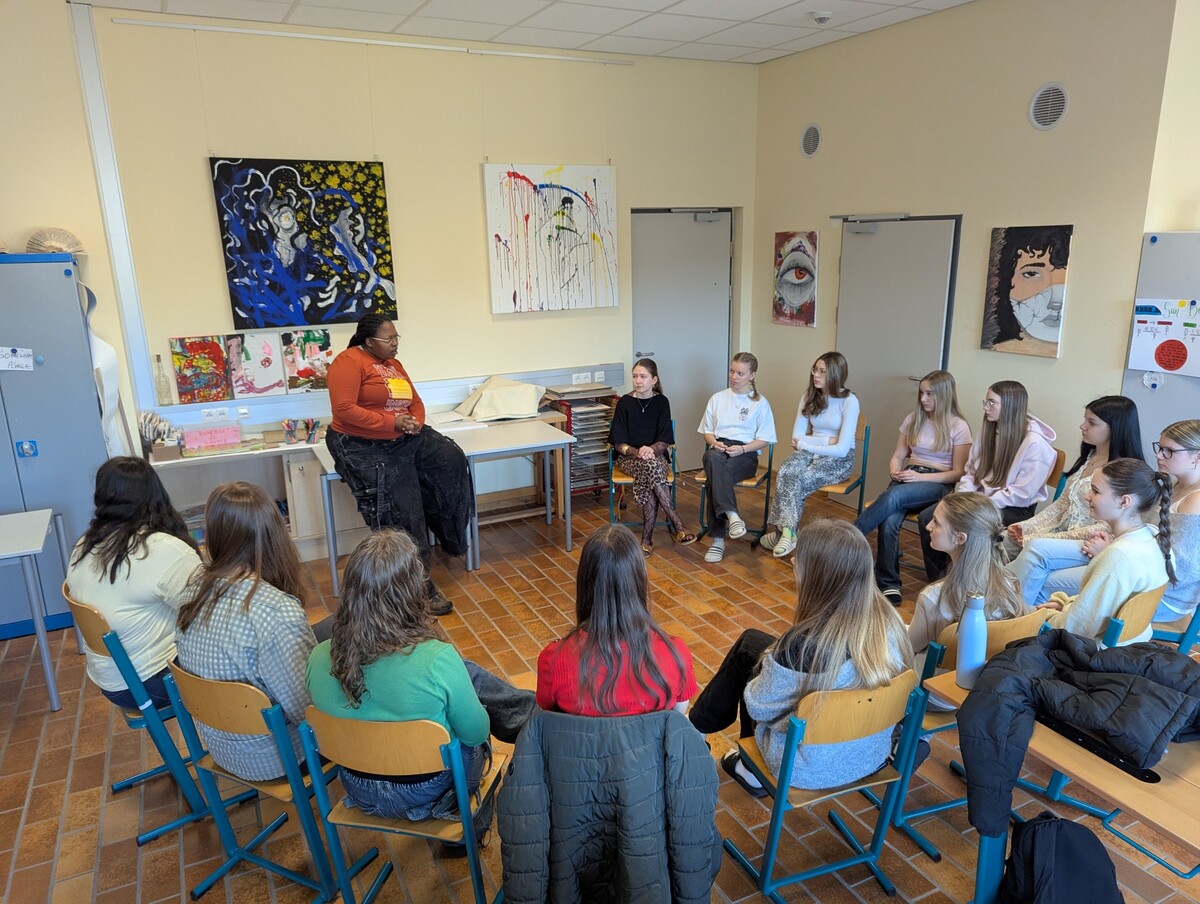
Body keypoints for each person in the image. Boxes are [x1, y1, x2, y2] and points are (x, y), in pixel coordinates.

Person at [689, 520, 912, 795]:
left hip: (803, 767)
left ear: (820, 575)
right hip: (867, 755)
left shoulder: (801, 645)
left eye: (800, 556)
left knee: (752, 665)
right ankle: (696, 729)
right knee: (751, 643)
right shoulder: (889, 622)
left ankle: (743, 766)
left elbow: (759, 707)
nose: (793, 560)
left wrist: (768, 665)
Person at [307, 530, 501, 833]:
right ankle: (469, 832)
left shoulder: (318, 657)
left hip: (357, 786)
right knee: (477, 729)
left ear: (350, 592)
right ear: (412, 592)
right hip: (433, 792)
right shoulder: (437, 659)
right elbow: (475, 733)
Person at [325, 313, 472, 615]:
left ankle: (447, 536)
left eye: (396, 337)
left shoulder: (394, 365)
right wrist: (392, 422)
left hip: (402, 435)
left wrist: (415, 421)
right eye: (389, 338)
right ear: (369, 341)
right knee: (402, 508)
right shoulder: (348, 362)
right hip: (362, 443)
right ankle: (417, 587)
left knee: (450, 459)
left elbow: (415, 401)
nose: (395, 344)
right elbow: (344, 410)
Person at [176, 482, 319, 782]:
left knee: (329, 630)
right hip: (282, 758)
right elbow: (307, 713)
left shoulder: (191, 589)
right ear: (274, 535)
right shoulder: (275, 613)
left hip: (222, 749)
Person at [66, 457, 202, 710]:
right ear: (155, 493)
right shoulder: (162, 549)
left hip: (113, 681)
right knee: (236, 645)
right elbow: (207, 612)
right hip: (152, 682)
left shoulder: (85, 543)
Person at [536, 525, 697, 716]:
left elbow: (549, 718)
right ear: (640, 579)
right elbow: (677, 717)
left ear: (584, 581)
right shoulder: (676, 654)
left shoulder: (553, 660)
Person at [1006, 396, 1143, 605]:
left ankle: (1008, 608)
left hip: (1090, 543)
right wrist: (1027, 526)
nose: (1082, 426)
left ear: (1114, 429)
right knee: (999, 540)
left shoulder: (1125, 472)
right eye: (1085, 420)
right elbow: (1062, 505)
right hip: (1061, 533)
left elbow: (1106, 527)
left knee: (1028, 555)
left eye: (1092, 423)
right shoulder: (1089, 457)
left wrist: (1040, 536)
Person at [853, 370, 972, 605]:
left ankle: (848, 536)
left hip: (938, 483)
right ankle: (888, 584)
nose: (923, 399)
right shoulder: (913, 419)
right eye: (921, 393)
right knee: (889, 521)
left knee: (893, 498)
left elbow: (959, 473)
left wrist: (920, 477)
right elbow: (898, 455)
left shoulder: (959, 426)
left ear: (944, 395)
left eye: (930, 394)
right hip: (908, 477)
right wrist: (894, 471)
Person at [918, 380, 1056, 580]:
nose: (985, 407)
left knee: (960, 525)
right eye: (986, 401)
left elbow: (1022, 494)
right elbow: (972, 471)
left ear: (1010, 406)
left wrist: (979, 504)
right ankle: (939, 581)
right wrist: (963, 496)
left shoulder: (1035, 443)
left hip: (1013, 507)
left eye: (992, 403)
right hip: (980, 498)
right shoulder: (989, 429)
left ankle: (965, 581)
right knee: (928, 519)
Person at [1037, 458, 1175, 644]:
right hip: (1130, 645)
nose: (1087, 496)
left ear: (1124, 501)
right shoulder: (1154, 536)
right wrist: (1066, 605)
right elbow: (1101, 605)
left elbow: (1077, 629)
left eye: (1095, 491)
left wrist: (1045, 616)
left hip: (1092, 652)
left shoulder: (1120, 555)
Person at [760, 351, 859, 560]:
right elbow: (796, 438)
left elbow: (841, 449)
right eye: (815, 369)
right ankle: (788, 533)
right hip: (810, 450)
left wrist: (809, 442)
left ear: (836, 374)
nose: (816, 375)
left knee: (799, 478)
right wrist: (826, 440)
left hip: (838, 460)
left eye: (822, 371)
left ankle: (782, 533)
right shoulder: (808, 396)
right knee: (786, 470)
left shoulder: (849, 401)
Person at [909, 493, 1027, 668]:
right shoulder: (1010, 584)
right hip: (991, 674)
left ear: (960, 538)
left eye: (936, 522)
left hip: (937, 679)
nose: (928, 526)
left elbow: (911, 646)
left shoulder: (933, 598)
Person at [608, 358, 696, 556]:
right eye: (635, 376)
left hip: (656, 457)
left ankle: (647, 540)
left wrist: (651, 450)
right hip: (629, 459)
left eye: (643, 376)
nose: (638, 381)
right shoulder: (625, 402)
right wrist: (637, 452)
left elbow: (665, 439)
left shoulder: (662, 402)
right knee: (652, 469)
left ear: (654, 380)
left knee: (651, 467)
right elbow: (618, 442)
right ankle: (677, 525)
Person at [696, 352, 777, 564]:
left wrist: (742, 449)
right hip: (719, 448)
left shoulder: (760, 403)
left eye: (740, 373)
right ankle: (732, 516)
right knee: (711, 457)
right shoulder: (717, 398)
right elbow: (707, 432)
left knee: (715, 476)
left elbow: (765, 439)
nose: (734, 376)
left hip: (745, 453)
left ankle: (717, 541)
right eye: (732, 371)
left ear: (752, 375)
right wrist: (714, 443)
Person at [1151, 420, 1200, 627]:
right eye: (1160, 448)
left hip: (1166, 596)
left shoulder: (1196, 501)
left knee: (1060, 582)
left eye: (1169, 451)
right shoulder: (1173, 485)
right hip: (1144, 577)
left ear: (1197, 456)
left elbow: (1181, 568)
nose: (1159, 455)